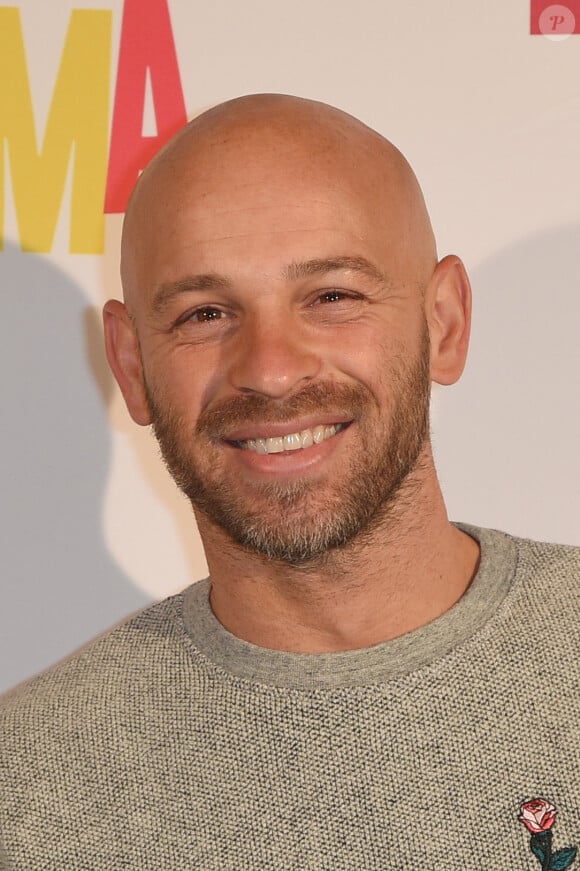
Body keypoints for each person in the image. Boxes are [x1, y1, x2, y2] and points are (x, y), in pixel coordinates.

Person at [1, 94, 578, 870]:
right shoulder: (29, 793)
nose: (270, 369)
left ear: (443, 321)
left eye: (333, 296)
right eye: (206, 314)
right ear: (132, 366)